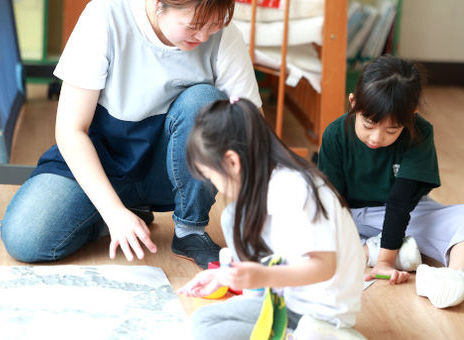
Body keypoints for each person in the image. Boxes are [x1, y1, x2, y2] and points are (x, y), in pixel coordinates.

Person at [0, 0, 262, 269]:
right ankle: (119, 215)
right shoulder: (105, 16)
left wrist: (271, 219)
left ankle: (190, 231)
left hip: (169, 171)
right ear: (160, 4)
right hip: (103, 161)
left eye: (215, 24)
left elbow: (252, 130)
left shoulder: (223, 38)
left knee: (206, 103)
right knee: (25, 237)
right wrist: (112, 212)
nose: (205, 36)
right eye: (194, 26)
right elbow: (70, 130)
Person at [178, 98, 366, 339]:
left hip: (317, 313)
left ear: (233, 162)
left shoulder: (294, 188)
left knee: (205, 329)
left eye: (210, 175)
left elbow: (324, 266)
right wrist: (222, 275)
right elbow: (279, 258)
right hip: (286, 300)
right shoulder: (270, 184)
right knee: (204, 320)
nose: (215, 185)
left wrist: (262, 276)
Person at [318, 54, 464, 308]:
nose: (376, 138)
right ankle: (379, 251)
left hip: (406, 212)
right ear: (353, 103)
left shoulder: (420, 131)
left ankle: (453, 278)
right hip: (349, 215)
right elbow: (332, 203)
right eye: (369, 124)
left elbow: (401, 202)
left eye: (391, 131)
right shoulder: (335, 134)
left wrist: (384, 261)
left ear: (411, 115)